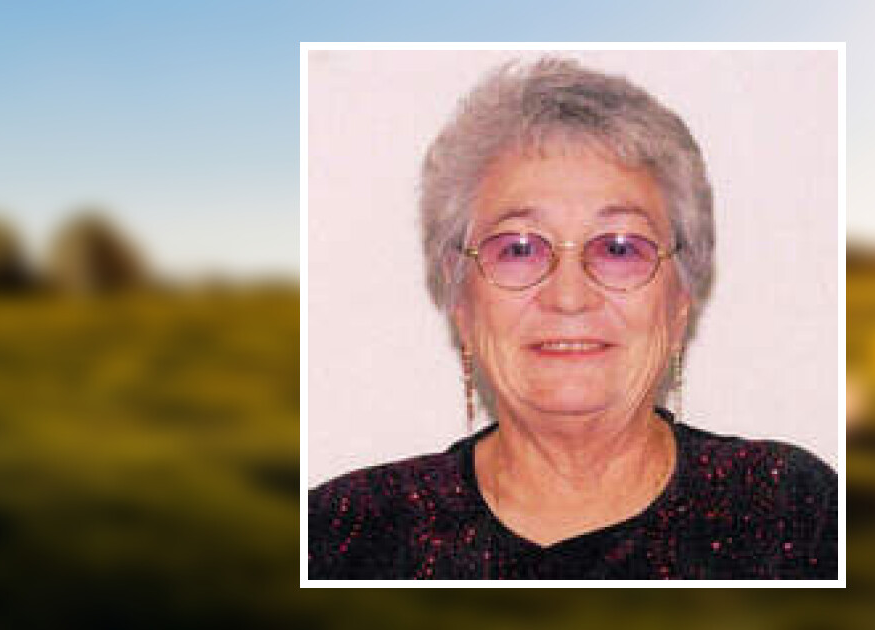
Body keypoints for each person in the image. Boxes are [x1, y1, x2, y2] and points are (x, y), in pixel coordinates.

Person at [309, 57, 837, 579]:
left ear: (681, 296)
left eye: (618, 247)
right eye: (519, 248)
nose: (568, 297)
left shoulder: (792, 514)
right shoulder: (339, 536)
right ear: (460, 296)